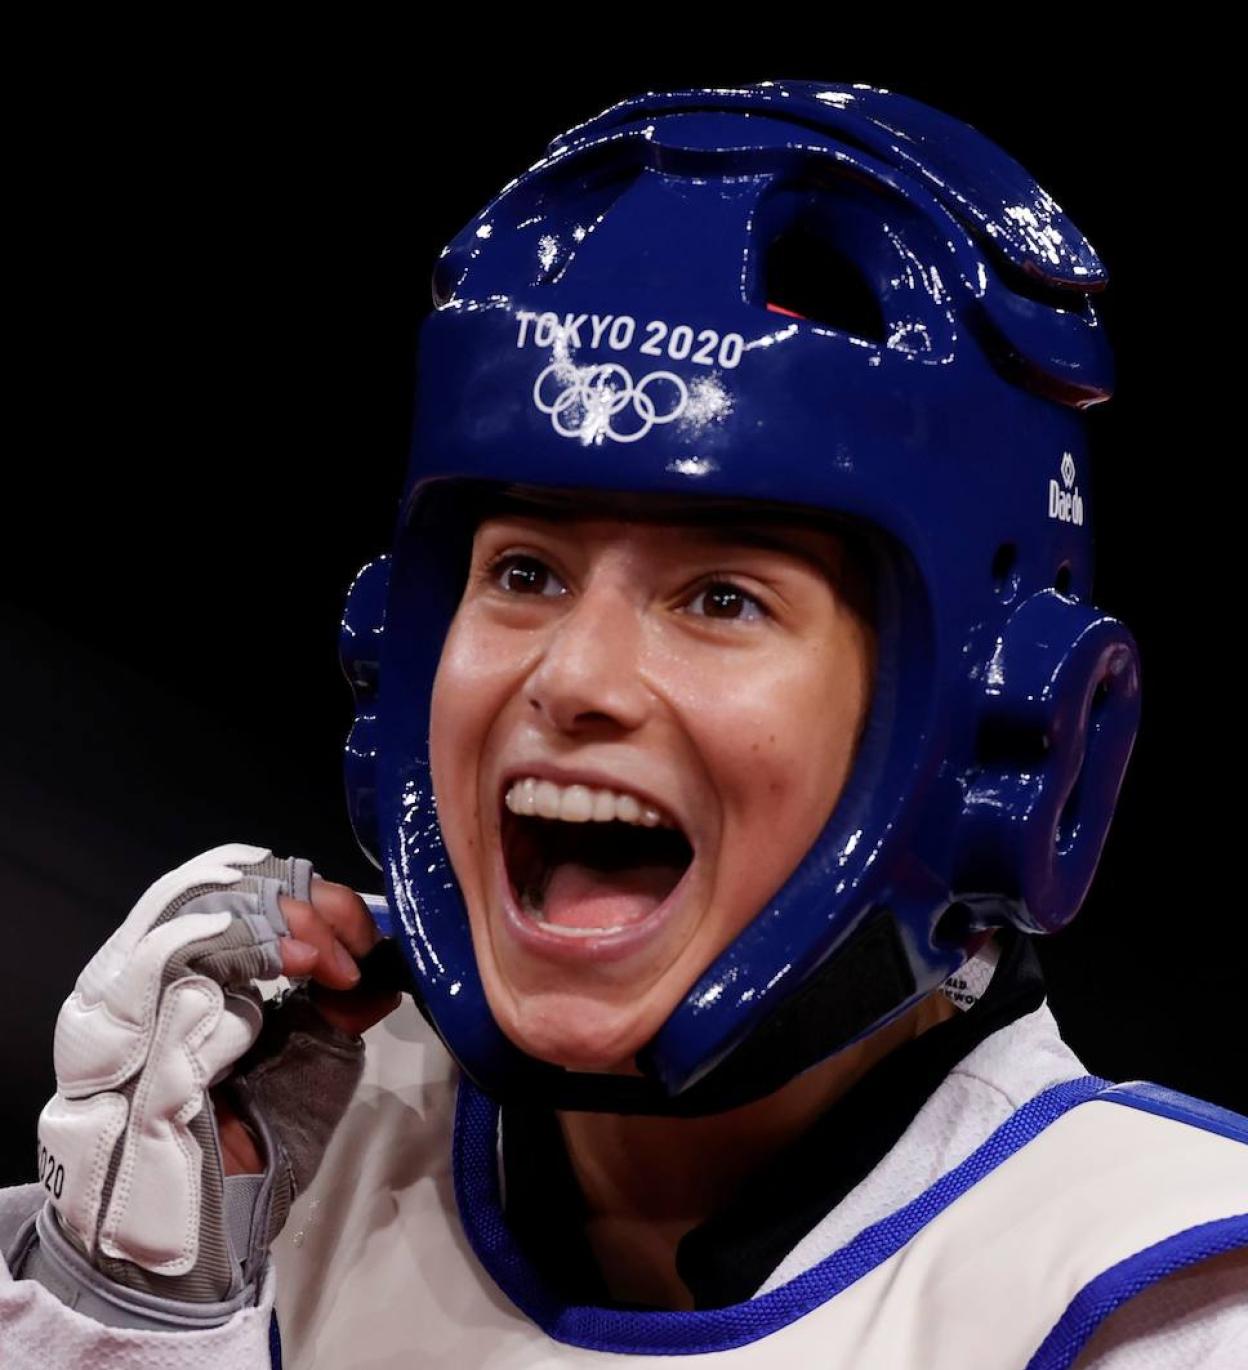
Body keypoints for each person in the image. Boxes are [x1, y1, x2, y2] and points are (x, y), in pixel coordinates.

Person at [2, 78, 1245, 1369]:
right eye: (524, 571)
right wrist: (121, 1320)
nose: (575, 676)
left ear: (998, 736)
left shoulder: (1174, 1304)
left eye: (723, 597)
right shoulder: (260, 1173)